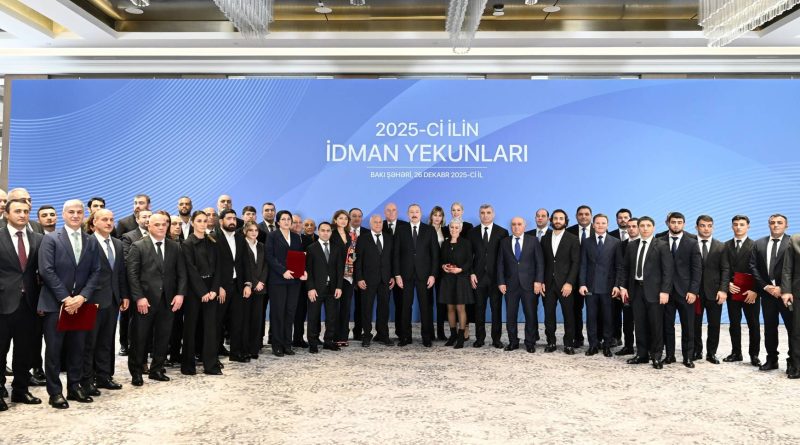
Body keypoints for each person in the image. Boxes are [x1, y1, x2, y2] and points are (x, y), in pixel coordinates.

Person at [38, 199, 102, 408]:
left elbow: (96, 271)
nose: (75, 215)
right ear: (64, 214)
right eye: (71, 212)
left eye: (79, 212)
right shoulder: (50, 239)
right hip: (55, 304)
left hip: (81, 304)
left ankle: (74, 387)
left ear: (84, 215)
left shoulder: (91, 241)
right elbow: (46, 270)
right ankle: (55, 392)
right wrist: (66, 298)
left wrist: (82, 297)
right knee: (54, 350)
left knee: (78, 348)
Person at [127, 213, 187, 386]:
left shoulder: (175, 246)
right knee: (139, 338)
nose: (161, 227)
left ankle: (157, 370)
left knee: (163, 337)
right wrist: (139, 297)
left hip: (168, 300)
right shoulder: (138, 246)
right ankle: (136, 372)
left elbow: (182, 272)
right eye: (157, 224)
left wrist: (180, 294)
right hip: (145, 301)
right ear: (149, 226)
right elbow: (132, 275)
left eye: (164, 224)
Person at [0, 198, 44, 410]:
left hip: (29, 304)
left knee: (24, 350)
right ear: (6, 214)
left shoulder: (38, 238)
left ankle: (20, 389)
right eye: (17, 211)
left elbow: (41, 272)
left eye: (26, 211)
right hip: (2, 303)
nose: (22, 215)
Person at [614, 216, 673, 369]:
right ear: (638, 228)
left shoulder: (662, 245)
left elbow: (668, 271)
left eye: (648, 225)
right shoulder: (631, 246)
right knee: (639, 324)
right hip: (636, 291)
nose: (645, 228)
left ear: (653, 228)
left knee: (656, 325)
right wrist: (623, 286)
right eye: (642, 226)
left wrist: (665, 291)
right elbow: (625, 268)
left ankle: (656, 356)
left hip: (655, 292)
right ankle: (642, 354)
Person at [81, 209, 128, 397]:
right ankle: (87, 380)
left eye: (111, 219)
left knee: (107, 341)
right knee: (89, 343)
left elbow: (120, 272)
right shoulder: (87, 242)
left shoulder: (117, 244)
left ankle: (104, 376)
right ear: (94, 223)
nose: (109, 223)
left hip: (113, 300)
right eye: (104, 219)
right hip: (92, 301)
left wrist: (124, 295)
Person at [180, 211, 222, 376]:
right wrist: (202, 291)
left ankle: (211, 365)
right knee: (190, 328)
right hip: (194, 290)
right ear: (192, 223)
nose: (203, 223)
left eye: (205, 220)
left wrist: (214, 290)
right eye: (199, 221)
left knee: (210, 329)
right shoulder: (187, 243)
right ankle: (188, 366)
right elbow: (190, 269)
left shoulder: (212, 241)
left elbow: (218, 267)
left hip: (211, 289)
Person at [750, 214, 793, 374]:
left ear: (786, 226)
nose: (776, 225)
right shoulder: (759, 243)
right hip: (767, 294)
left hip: (787, 294)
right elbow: (753, 266)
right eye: (772, 222)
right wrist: (765, 286)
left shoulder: (793, 243)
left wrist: (783, 288)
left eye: (779, 222)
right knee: (769, 328)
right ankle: (772, 359)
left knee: (793, 329)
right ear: (768, 225)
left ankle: (793, 361)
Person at [393, 204, 439, 347]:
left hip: (424, 275)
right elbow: (396, 254)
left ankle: (426, 337)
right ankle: (405, 337)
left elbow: (435, 255)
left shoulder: (429, 230)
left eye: (417, 211)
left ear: (421, 213)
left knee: (425, 307)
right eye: (412, 212)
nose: (414, 214)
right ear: (408, 214)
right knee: (405, 307)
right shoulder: (401, 230)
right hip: (405, 275)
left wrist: (433, 275)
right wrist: (397, 275)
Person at [497, 217, 544, 353]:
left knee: (530, 314)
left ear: (525, 226)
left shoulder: (533, 240)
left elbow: (540, 262)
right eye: (513, 224)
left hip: (529, 285)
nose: (516, 227)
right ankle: (513, 342)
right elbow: (500, 264)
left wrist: (538, 281)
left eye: (519, 224)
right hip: (510, 285)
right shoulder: (504, 242)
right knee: (511, 315)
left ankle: (530, 342)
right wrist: (501, 282)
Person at [661, 211, 702, 369]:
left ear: (684, 224)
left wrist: (693, 291)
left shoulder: (692, 242)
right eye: (673, 222)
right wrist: (661, 290)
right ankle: (669, 355)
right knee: (667, 326)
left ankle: (688, 357)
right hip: (666, 292)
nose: (676, 225)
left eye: (679, 222)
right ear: (668, 223)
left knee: (688, 326)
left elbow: (697, 270)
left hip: (686, 292)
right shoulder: (660, 240)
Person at [265, 210, 307, 357]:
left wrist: (303, 271)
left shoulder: (296, 237)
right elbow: (269, 256)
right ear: (278, 222)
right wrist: (283, 271)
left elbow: (299, 257)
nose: (287, 221)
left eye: (289, 219)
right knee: (278, 313)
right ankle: (277, 346)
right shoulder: (272, 236)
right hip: (278, 280)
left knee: (290, 312)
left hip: (294, 281)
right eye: (283, 219)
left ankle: (287, 345)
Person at [578, 214, 620, 357]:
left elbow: (618, 266)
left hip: (608, 287)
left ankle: (607, 345)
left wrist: (617, 285)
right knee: (591, 318)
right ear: (593, 225)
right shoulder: (586, 242)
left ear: (607, 225)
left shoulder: (615, 242)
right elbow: (583, 265)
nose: (600, 225)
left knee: (608, 318)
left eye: (603, 223)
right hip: (590, 287)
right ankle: (593, 345)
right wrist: (582, 284)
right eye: (597, 223)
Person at [467, 204, 508, 348]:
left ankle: (496, 339)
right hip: (478, 278)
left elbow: (505, 257)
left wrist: (502, 278)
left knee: (496, 310)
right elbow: (468, 256)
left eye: (488, 212)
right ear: (479, 215)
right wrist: (471, 272)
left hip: (496, 278)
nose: (485, 215)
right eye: (483, 213)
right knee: (479, 309)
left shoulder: (502, 232)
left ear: (493, 214)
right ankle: (480, 338)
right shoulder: (472, 233)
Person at [540, 209, 580, 354]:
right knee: (548, 315)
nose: (558, 221)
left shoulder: (573, 239)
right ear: (551, 220)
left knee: (569, 315)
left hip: (565, 285)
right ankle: (551, 342)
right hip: (548, 283)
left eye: (561, 218)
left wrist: (569, 283)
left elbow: (576, 263)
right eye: (555, 218)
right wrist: (541, 281)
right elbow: (542, 262)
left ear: (565, 221)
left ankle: (568, 344)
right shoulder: (545, 238)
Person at [692, 215, 730, 365]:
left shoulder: (721, 246)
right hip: (694, 293)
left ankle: (711, 353)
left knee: (714, 324)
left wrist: (723, 290)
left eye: (709, 226)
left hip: (714, 292)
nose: (706, 229)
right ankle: (697, 351)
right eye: (702, 225)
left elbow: (725, 269)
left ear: (713, 227)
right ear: (697, 227)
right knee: (695, 324)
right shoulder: (690, 244)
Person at [723, 215, 761, 367]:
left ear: (748, 226)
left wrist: (755, 290)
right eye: (736, 224)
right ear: (732, 226)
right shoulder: (725, 246)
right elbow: (722, 268)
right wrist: (727, 284)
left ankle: (754, 355)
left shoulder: (756, 245)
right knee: (734, 323)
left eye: (742, 224)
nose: (738, 227)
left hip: (750, 292)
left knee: (754, 324)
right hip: (733, 290)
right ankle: (736, 352)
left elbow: (760, 270)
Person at [216, 209, 252, 362]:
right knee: (217, 322)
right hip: (221, 287)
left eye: (234, 219)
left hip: (238, 286)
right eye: (229, 218)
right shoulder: (213, 238)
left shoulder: (240, 237)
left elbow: (246, 262)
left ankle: (236, 353)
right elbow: (212, 265)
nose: (232, 221)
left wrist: (248, 284)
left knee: (238, 321)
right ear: (221, 221)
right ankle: (213, 355)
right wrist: (218, 286)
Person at [356, 214, 395, 347]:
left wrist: (392, 276)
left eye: (380, 222)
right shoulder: (363, 238)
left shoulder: (389, 238)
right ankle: (366, 335)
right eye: (375, 222)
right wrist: (359, 278)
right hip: (367, 280)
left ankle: (383, 335)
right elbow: (358, 261)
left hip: (385, 279)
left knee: (384, 309)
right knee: (366, 308)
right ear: (370, 224)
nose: (378, 224)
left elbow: (392, 259)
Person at [305, 222, 344, 353]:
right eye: (323, 230)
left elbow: (340, 270)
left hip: (332, 288)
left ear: (331, 232)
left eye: (328, 230)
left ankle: (328, 341)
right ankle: (313, 343)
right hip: (316, 289)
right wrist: (310, 288)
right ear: (318, 231)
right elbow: (308, 270)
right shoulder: (311, 248)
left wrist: (339, 287)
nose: (325, 233)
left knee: (332, 317)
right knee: (313, 317)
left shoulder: (337, 248)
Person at [439, 218, 473, 349]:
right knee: (450, 308)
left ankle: (461, 337)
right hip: (448, 279)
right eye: (452, 227)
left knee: (460, 308)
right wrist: (443, 266)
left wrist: (461, 269)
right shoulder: (445, 243)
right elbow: (441, 260)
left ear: (461, 229)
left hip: (461, 278)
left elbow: (470, 261)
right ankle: (452, 335)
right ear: (449, 228)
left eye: (456, 227)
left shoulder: (466, 243)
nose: (454, 229)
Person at [566, 205, 594, 348]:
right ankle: (578, 337)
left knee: (593, 309)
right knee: (575, 309)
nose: (583, 216)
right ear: (576, 216)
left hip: (592, 280)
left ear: (591, 216)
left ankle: (596, 339)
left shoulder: (598, 230)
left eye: (586, 214)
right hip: (574, 279)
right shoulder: (568, 232)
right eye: (580, 214)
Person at [382, 202, 408, 341]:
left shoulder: (405, 226)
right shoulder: (379, 225)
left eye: (394, 210)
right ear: (385, 212)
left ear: (397, 212)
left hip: (401, 273)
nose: (391, 212)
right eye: (388, 210)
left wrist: (396, 274)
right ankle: (382, 333)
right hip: (383, 272)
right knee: (383, 305)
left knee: (401, 304)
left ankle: (401, 332)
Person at [614, 218, 639, 356]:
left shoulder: (649, 243)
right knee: (628, 320)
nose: (631, 229)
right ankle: (628, 346)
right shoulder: (621, 245)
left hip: (644, 288)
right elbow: (620, 267)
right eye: (629, 226)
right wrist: (620, 286)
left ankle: (644, 348)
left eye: (634, 226)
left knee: (643, 320)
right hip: (626, 289)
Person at [243, 221, 268, 358]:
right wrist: (254, 282)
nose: (254, 232)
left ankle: (254, 348)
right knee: (245, 318)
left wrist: (261, 282)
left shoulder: (262, 246)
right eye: (250, 230)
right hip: (246, 287)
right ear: (245, 231)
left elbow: (265, 265)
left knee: (257, 318)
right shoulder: (241, 245)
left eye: (256, 230)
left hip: (260, 288)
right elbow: (244, 267)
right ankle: (245, 348)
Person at [330, 210, 355, 347]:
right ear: (335, 220)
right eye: (341, 218)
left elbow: (353, 254)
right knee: (334, 307)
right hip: (335, 275)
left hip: (348, 276)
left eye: (346, 218)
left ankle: (343, 337)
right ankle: (333, 336)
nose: (343, 220)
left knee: (346, 307)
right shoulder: (331, 234)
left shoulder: (351, 235)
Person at [780, 233, 800, 379]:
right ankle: (797, 366)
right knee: (797, 331)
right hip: (798, 292)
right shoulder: (795, 240)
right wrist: (786, 291)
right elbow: (787, 268)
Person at [429, 206, 448, 341]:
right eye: (435, 215)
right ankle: (430, 332)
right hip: (428, 271)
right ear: (431, 216)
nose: (437, 218)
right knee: (428, 302)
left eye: (440, 215)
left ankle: (441, 332)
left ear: (442, 218)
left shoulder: (446, 230)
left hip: (443, 271)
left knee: (441, 302)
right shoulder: (425, 230)